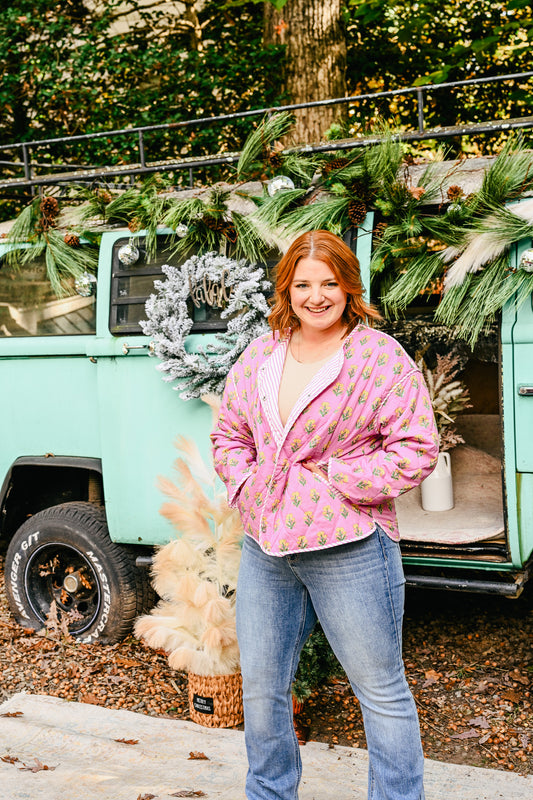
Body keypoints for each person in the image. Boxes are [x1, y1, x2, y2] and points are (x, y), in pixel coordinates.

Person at [211, 229, 439, 800]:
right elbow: (229, 433)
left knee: (380, 690)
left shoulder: (377, 357)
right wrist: (249, 485)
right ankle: (269, 793)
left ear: (349, 288)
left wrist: (334, 479)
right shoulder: (261, 354)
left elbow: (416, 449)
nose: (316, 297)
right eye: (303, 285)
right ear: (286, 290)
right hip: (267, 546)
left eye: (329, 284)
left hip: (350, 545)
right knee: (262, 688)